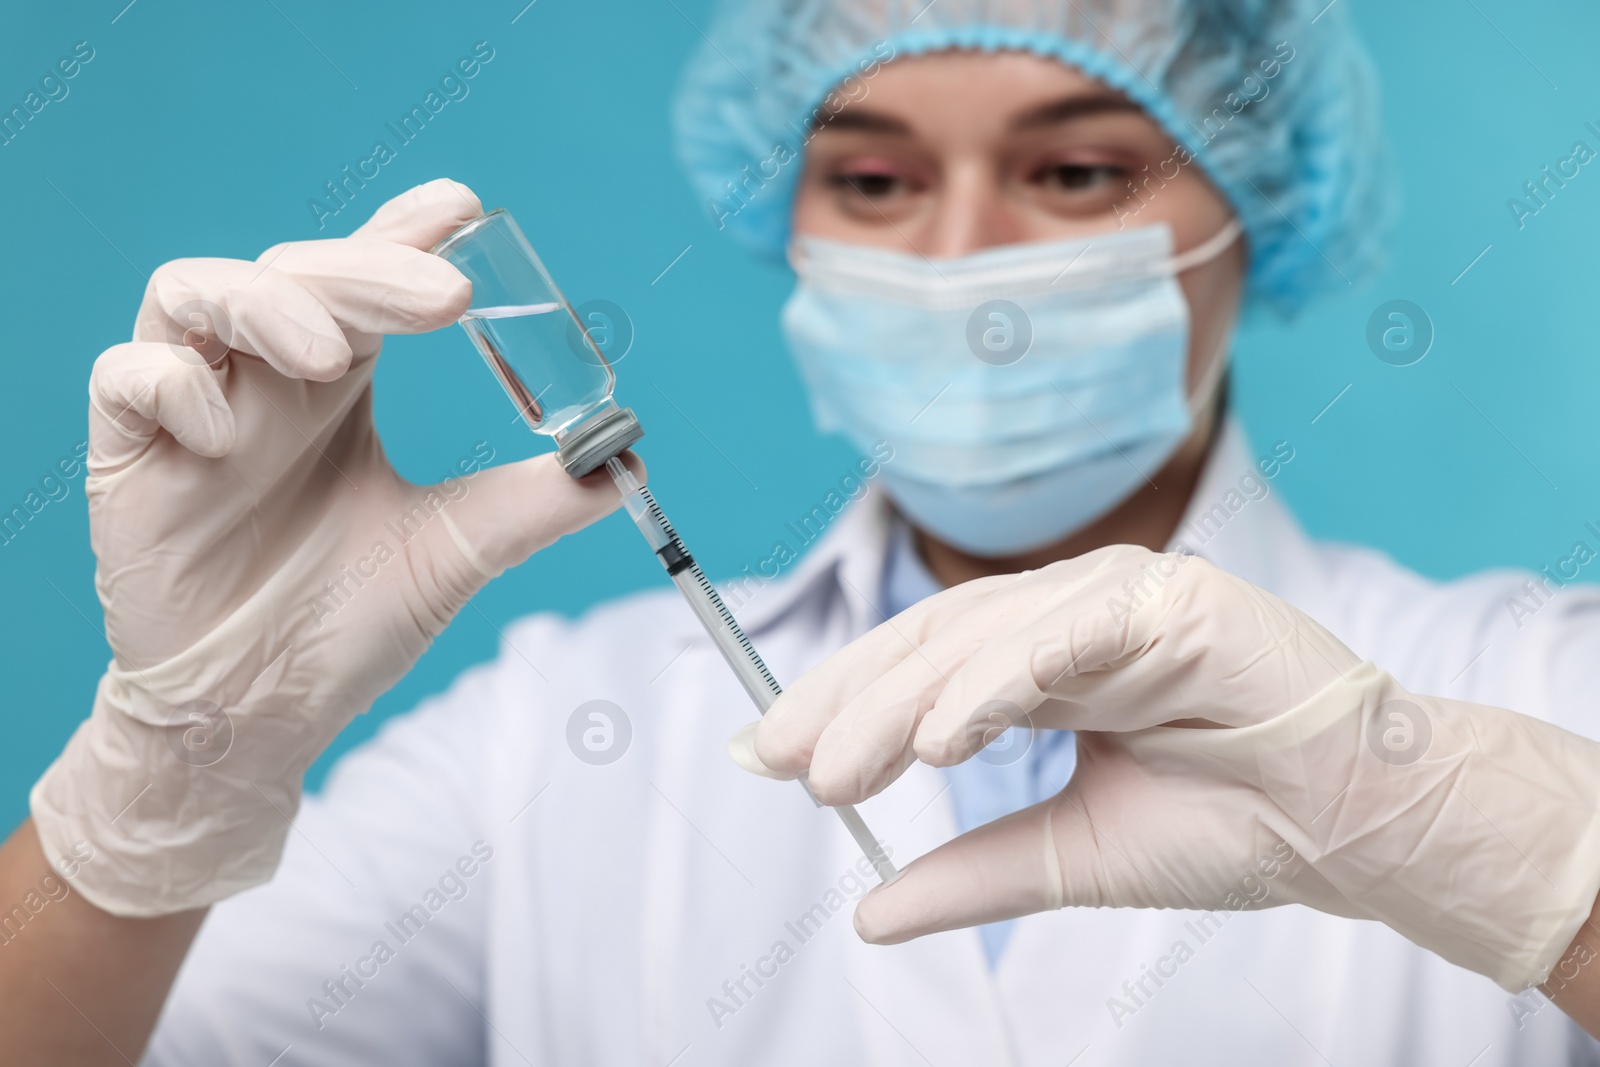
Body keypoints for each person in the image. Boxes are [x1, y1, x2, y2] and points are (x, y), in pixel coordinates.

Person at [5, 1, 1600, 1065]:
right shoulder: (557, 735)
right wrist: (181, 755)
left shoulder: (1519, 692)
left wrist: (1524, 863)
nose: (962, 256)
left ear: (1262, 206)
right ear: (794, 227)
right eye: (877, 179)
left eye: (1075, 169)